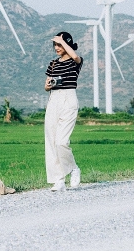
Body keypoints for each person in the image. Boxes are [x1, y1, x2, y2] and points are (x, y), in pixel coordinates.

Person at [44, 31, 83, 191]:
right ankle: (58, 179)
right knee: (51, 141)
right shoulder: (53, 63)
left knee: (61, 141)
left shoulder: (75, 62)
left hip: (69, 98)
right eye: (55, 44)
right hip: (54, 99)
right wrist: (50, 84)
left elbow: (75, 57)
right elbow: (46, 86)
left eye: (59, 44)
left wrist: (63, 41)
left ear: (67, 44)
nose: (56, 47)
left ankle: (73, 168)